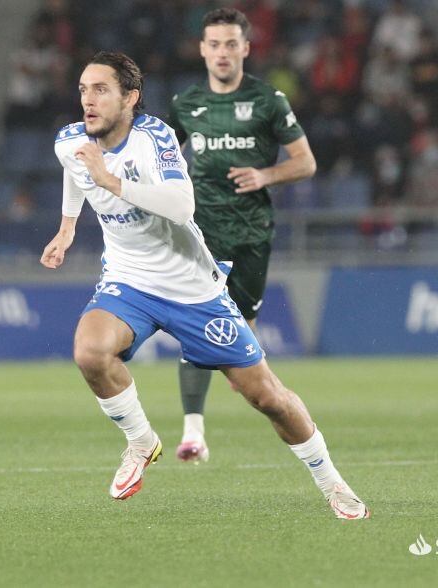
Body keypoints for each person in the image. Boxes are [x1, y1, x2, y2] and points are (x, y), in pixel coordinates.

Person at [40, 51, 369, 519]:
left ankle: (332, 482)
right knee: (90, 351)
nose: (87, 100)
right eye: (82, 89)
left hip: (192, 287)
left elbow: (180, 204)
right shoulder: (69, 141)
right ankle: (141, 441)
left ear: (129, 97)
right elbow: (77, 173)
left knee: (267, 397)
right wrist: (67, 227)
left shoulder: (154, 138)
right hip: (129, 280)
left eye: (100, 90)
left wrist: (111, 181)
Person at [166, 8, 316, 463]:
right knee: (198, 324)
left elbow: (305, 162)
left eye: (231, 44)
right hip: (201, 234)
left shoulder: (268, 100)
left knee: (240, 342)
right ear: (202, 50)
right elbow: (163, 160)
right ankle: (193, 432)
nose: (222, 52)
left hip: (251, 233)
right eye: (214, 44)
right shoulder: (186, 103)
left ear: (246, 49)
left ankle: (277, 404)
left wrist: (265, 175)